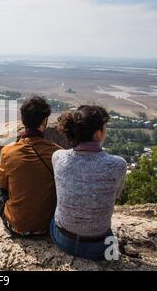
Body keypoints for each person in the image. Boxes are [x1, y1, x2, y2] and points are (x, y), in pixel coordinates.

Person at [50, 105, 127, 260]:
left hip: (63, 239)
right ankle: (113, 253)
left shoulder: (58, 157)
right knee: (111, 239)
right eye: (104, 128)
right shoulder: (117, 165)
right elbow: (116, 195)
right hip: (97, 246)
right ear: (98, 133)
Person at [0, 96, 62, 236]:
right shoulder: (58, 153)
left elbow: (3, 186)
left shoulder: (8, 151)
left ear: (23, 120)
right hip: (47, 226)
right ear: (44, 122)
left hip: (17, 226)